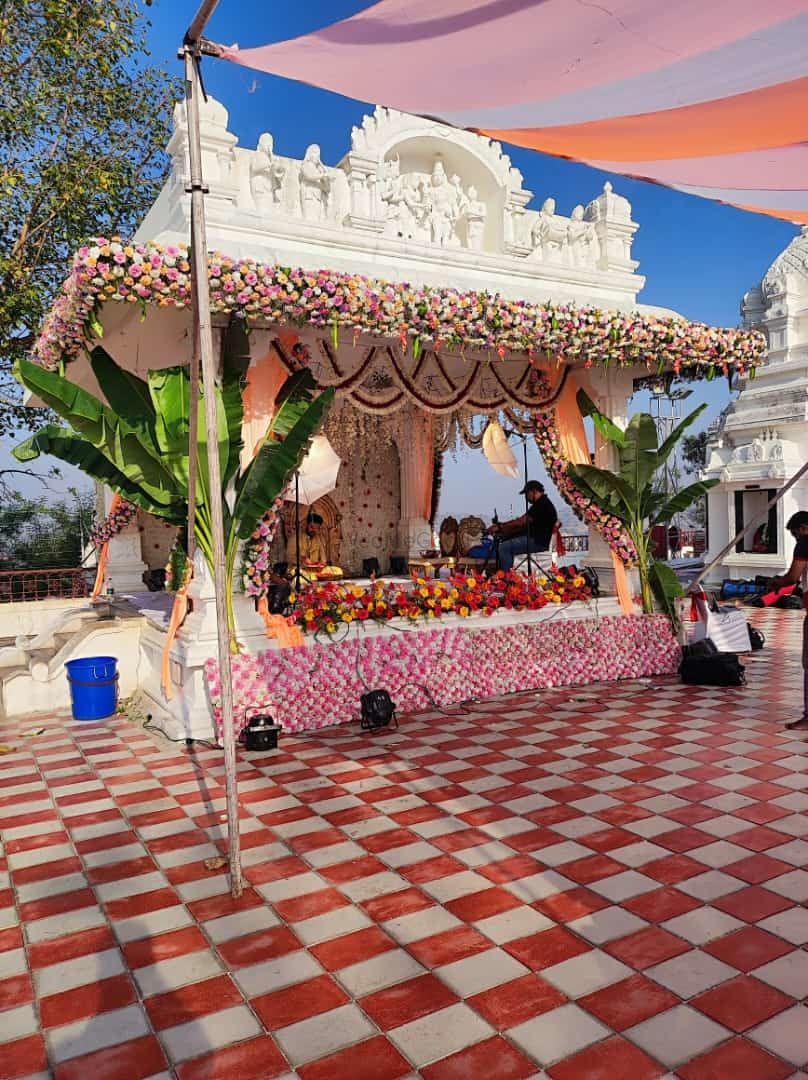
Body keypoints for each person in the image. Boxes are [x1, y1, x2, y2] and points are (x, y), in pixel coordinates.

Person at [767, 511, 808, 729]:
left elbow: (793, 577)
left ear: (803, 528)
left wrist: (776, 583)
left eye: (795, 535)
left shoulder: (804, 543)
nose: (796, 539)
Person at [487, 480, 558, 573]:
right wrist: (505, 529)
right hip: (536, 539)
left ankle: (507, 577)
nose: (525, 497)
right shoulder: (542, 503)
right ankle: (503, 573)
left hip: (536, 541)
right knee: (504, 540)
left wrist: (500, 526)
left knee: (504, 547)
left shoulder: (542, 504)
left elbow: (521, 521)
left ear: (534, 491)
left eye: (526, 494)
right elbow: (523, 523)